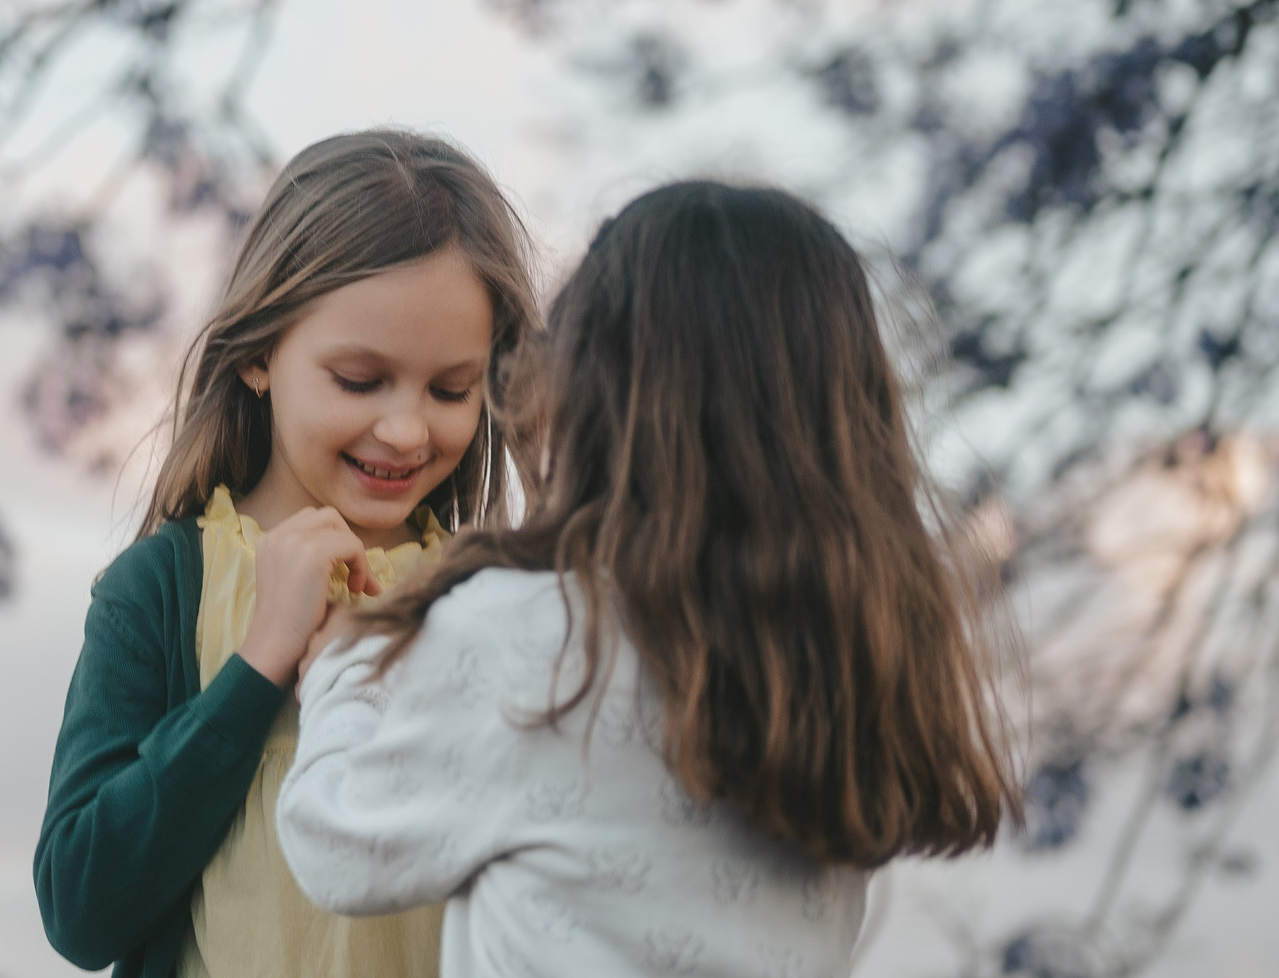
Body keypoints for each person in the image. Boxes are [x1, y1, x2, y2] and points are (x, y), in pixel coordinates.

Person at [276, 181, 1020, 978]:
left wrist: (343, 664)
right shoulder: (832, 663)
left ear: (591, 389)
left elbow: (338, 846)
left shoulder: (539, 634)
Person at [34, 129, 540, 978]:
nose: (407, 428)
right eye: (359, 379)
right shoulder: (161, 590)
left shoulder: (495, 600)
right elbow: (82, 909)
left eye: (452, 389)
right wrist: (258, 664)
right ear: (262, 353)